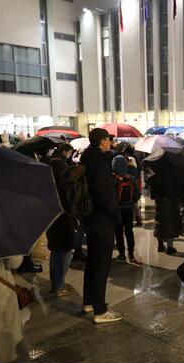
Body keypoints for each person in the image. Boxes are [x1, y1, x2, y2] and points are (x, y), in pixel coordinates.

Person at [80, 128, 123, 324]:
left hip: (90, 218)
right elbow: (104, 194)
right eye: (108, 140)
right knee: (101, 265)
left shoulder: (87, 158)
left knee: (92, 262)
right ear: (101, 142)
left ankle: (89, 301)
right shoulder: (99, 162)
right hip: (101, 220)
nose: (110, 143)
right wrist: (116, 216)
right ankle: (100, 310)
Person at [46, 158, 76, 297]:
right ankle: (60, 285)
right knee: (65, 252)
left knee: (55, 253)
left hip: (51, 221)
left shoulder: (48, 186)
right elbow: (70, 204)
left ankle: (55, 283)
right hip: (64, 221)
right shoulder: (65, 185)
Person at [111, 155, 140, 262]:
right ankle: (131, 255)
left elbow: (110, 195)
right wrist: (131, 202)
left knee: (118, 232)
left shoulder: (113, 179)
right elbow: (137, 194)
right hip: (129, 209)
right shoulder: (131, 178)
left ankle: (121, 255)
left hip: (117, 209)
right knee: (129, 231)